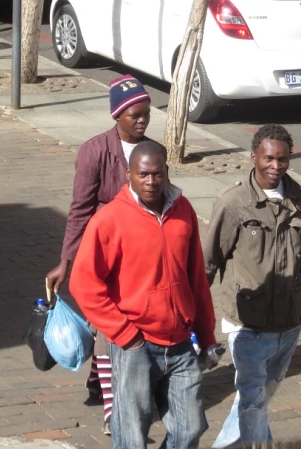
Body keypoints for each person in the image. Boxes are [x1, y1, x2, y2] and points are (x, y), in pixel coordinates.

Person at [70, 141, 218, 449]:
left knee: (191, 427)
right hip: (134, 346)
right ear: (129, 175)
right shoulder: (109, 219)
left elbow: (195, 279)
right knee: (131, 437)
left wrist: (206, 336)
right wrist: (124, 333)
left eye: (158, 174)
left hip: (179, 342)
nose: (151, 181)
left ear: (167, 172)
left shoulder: (183, 210)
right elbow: (84, 284)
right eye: (143, 175)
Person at [45, 74, 151, 434]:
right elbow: (79, 210)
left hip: (138, 252)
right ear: (117, 116)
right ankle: (113, 409)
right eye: (134, 115)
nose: (141, 121)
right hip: (101, 250)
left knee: (118, 322)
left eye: (146, 114)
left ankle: (98, 379)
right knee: (109, 325)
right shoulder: (94, 152)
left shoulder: (150, 151)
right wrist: (67, 261)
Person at [204, 124, 301, 448]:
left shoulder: (297, 197)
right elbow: (209, 262)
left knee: (261, 399)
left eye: (282, 159)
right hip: (248, 323)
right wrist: (194, 320)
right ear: (254, 157)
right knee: (251, 399)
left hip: (290, 322)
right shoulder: (234, 202)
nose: (275, 166)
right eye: (268, 158)